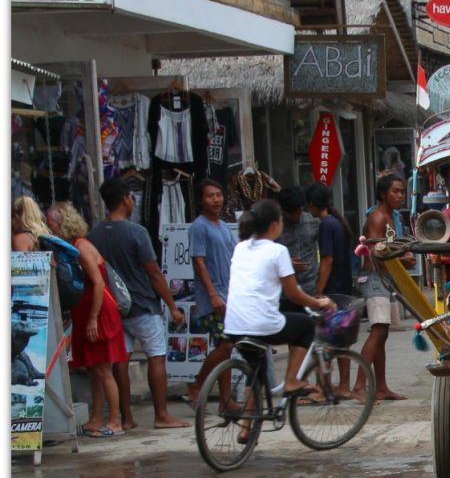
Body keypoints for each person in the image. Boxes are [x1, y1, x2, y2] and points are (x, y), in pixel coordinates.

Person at [224, 198, 337, 440]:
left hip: (234, 325)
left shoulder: (241, 247)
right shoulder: (278, 251)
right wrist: (320, 302)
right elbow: (294, 294)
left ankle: (246, 427)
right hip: (261, 324)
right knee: (306, 325)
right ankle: (291, 380)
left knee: (255, 370)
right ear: (275, 224)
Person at [88, 176, 190, 430]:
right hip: (143, 305)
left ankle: (126, 417)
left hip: (113, 308)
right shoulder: (137, 232)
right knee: (156, 356)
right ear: (125, 200)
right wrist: (173, 307)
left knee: (120, 360)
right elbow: (154, 273)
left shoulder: (94, 234)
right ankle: (162, 415)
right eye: (131, 197)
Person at [46, 201, 128, 437]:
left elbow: (99, 283)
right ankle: (95, 418)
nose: (49, 226)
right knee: (93, 369)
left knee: (103, 369)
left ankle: (114, 420)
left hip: (98, 312)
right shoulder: (73, 247)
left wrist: (92, 319)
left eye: (52, 222)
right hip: (88, 311)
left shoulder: (81, 246)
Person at [354, 173, 411, 402]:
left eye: (402, 191)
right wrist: (401, 257)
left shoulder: (390, 216)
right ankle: (359, 384)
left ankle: (381, 387)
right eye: (395, 191)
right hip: (374, 277)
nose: (400, 196)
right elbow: (375, 251)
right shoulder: (378, 217)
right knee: (378, 330)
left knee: (383, 332)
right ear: (383, 194)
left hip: (383, 278)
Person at [184, 180, 238, 410]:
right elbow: (199, 261)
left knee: (225, 347)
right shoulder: (199, 226)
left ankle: (226, 401)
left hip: (230, 294)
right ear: (200, 200)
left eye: (218, 194)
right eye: (210, 196)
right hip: (213, 297)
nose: (216, 199)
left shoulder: (224, 226)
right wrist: (213, 294)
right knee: (226, 345)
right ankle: (197, 384)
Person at [306, 181, 356, 396]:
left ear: (312, 205)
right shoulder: (337, 222)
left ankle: (322, 387)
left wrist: (318, 290)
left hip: (332, 289)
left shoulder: (327, 224)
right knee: (342, 340)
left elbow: (327, 260)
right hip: (344, 286)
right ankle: (343, 385)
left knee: (324, 341)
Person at [275, 187, 321, 309]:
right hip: (284, 293)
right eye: (292, 212)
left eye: (298, 210)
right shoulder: (275, 227)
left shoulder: (313, 221)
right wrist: (286, 262)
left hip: (311, 289)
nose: (296, 215)